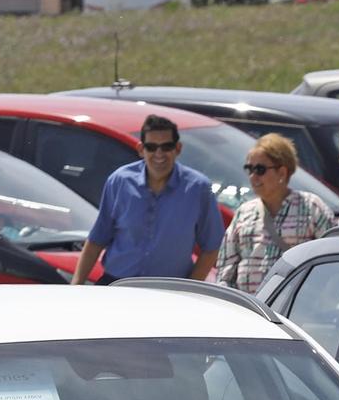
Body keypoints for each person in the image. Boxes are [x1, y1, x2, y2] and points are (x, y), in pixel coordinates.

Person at [73, 115, 225, 285]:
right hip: (118, 285)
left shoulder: (198, 188)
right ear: (141, 149)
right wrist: (76, 287)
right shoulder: (119, 181)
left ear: (178, 148)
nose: (159, 154)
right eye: (151, 147)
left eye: (166, 147)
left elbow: (212, 246)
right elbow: (97, 239)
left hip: (169, 290)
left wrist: (189, 288)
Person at [213, 134, 337, 294]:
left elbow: (332, 261)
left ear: (282, 173)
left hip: (294, 307)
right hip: (248, 306)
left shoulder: (311, 208)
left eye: (260, 169)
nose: (253, 176)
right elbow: (226, 269)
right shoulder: (243, 213)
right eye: (249, 169)